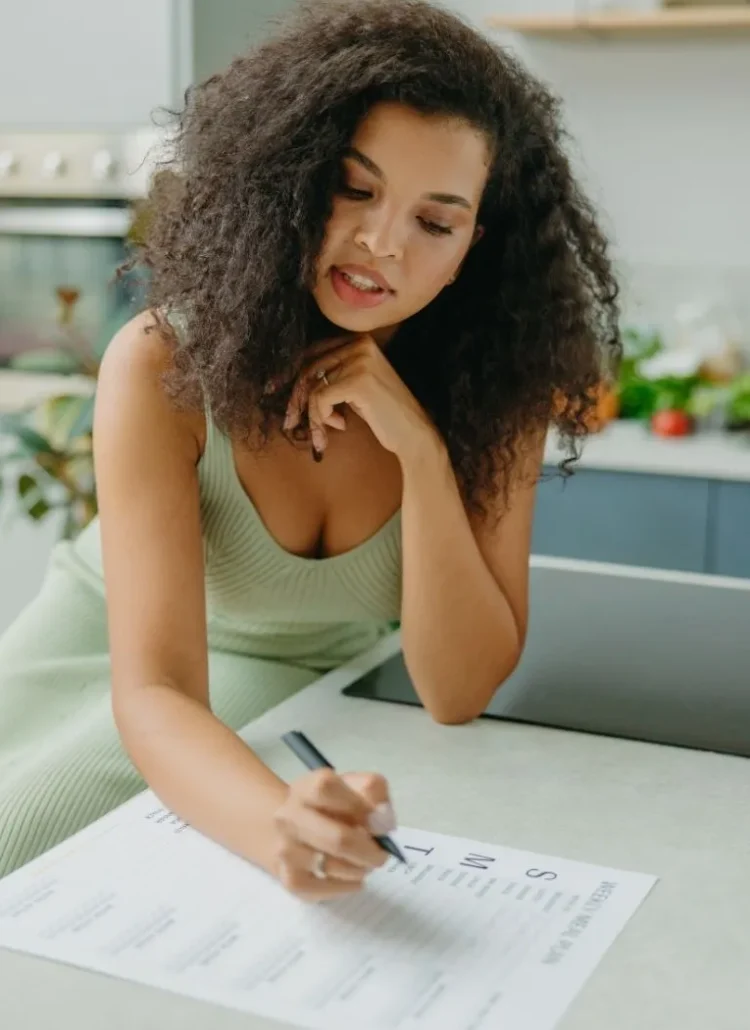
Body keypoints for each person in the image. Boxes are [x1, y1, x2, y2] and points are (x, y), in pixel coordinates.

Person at [0, 0, 620, 896]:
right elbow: (157, 690)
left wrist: (419, 447)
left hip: (298, 687)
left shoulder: (496, 396)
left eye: (434, 223)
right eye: (353, 188)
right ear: (290, 177)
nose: (381, 243)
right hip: (113, 650)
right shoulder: (162, 363)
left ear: (469, 250)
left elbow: (458, 691)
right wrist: (272, 828)